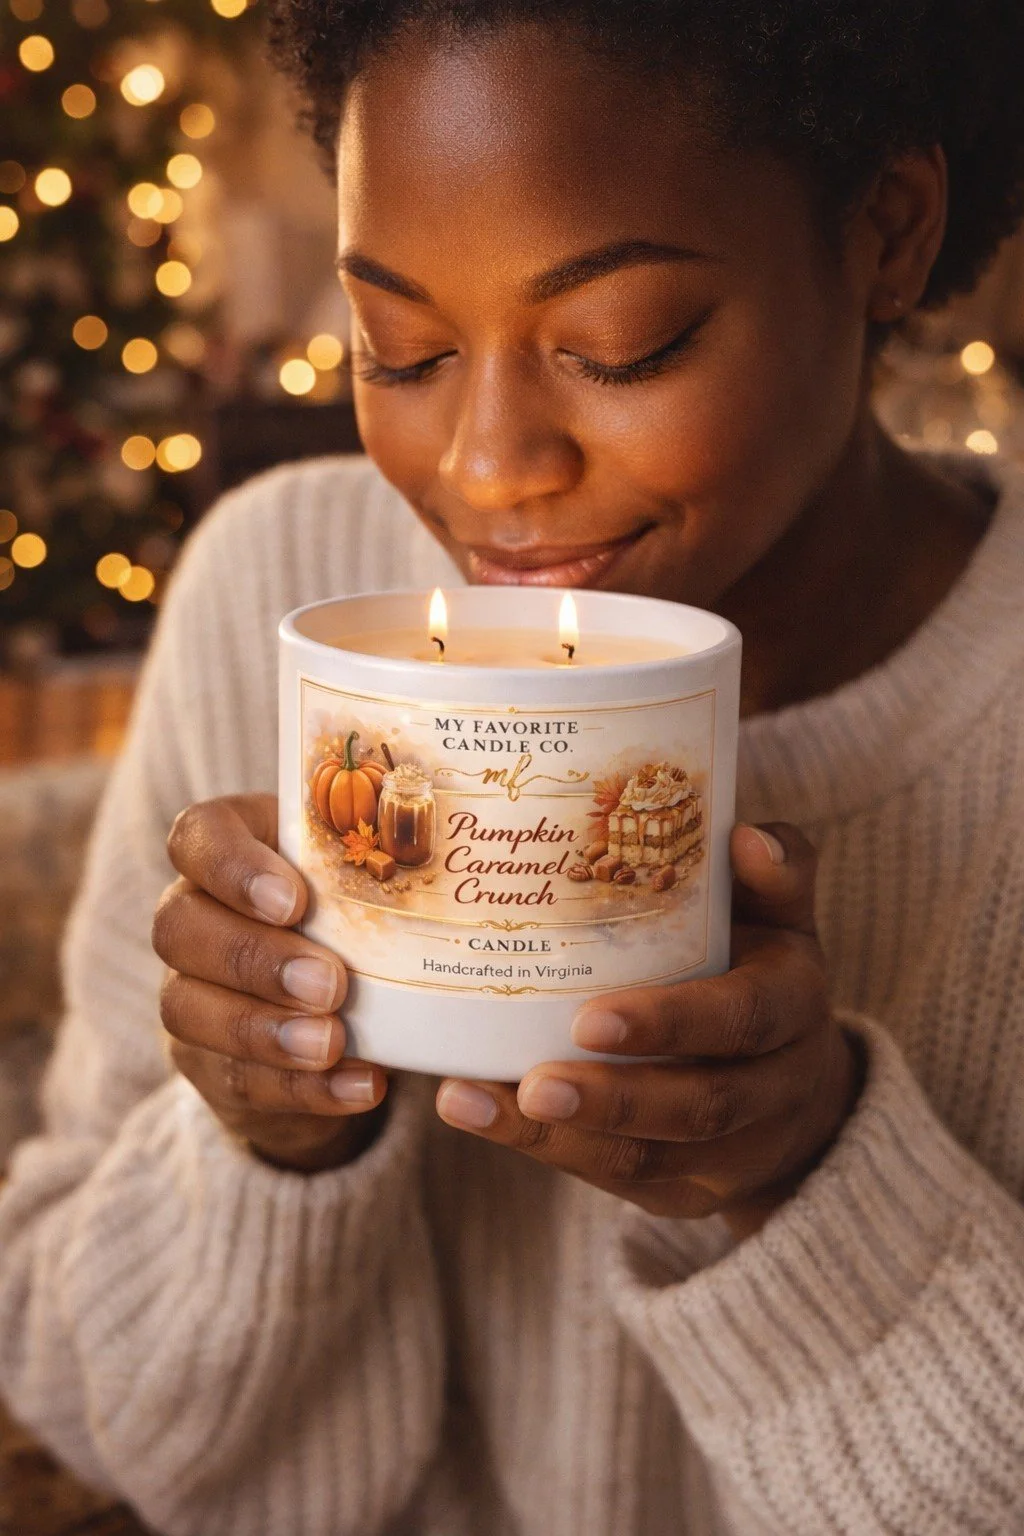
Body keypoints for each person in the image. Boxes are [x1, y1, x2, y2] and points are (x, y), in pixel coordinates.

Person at [2, 3, 1024, 1532]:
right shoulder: (282, 591)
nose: (484, 470)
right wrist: (273, 1147)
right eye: (397, 349)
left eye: (622, 348)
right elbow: (93, 1405)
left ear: (885, 228)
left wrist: (803, 1181)